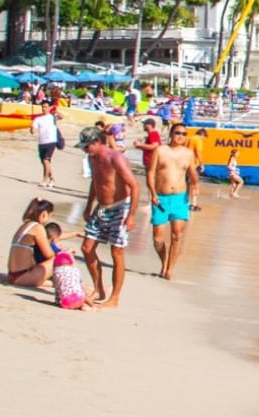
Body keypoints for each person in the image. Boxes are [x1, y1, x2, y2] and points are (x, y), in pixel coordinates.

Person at [78, 127, 140, 308]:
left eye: (87, 146)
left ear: (97, 142)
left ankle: (114, 298)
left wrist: (131, 216)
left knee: (116, 252)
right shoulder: (92, 158)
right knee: (87, 248)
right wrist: (88, 206)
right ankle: (99, 288)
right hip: (101, 207)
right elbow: (96, 182)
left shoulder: (115, 158)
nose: (85, 150)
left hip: (120, 207)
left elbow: (134, 187)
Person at [147, 123, 200, 280]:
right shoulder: (160, 150)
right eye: (177, 133)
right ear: (170, 134)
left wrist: (195, 185)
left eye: (183, 134)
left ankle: (169, 269)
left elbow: (192, 173)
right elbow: (150, 173)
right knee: (157, 238)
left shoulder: (188, 154)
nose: (180, 136)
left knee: (177, 235)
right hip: (161, 198)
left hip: (180, 198)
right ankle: (164, 262)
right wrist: (153, 193)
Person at [7, 197, 56, 287]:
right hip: (23, 275)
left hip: (12, 275)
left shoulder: (25, 226)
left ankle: (56, 282)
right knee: (61, 258)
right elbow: (50, 254)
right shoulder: (38, 228)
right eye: (49, 216)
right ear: (44, 214)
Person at [31, 100, 59, 189]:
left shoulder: (53, 117)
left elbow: (62, 116)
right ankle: (52, 178)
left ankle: (45, 179)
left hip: (51, 141)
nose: (44, 109)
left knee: (46, 160)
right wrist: (32, 129)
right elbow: (33, 130)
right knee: (45, 162)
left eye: (46, 107)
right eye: (43, 107)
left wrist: (56, 111)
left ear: (49, 108)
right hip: (41, 142)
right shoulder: (38, 119)